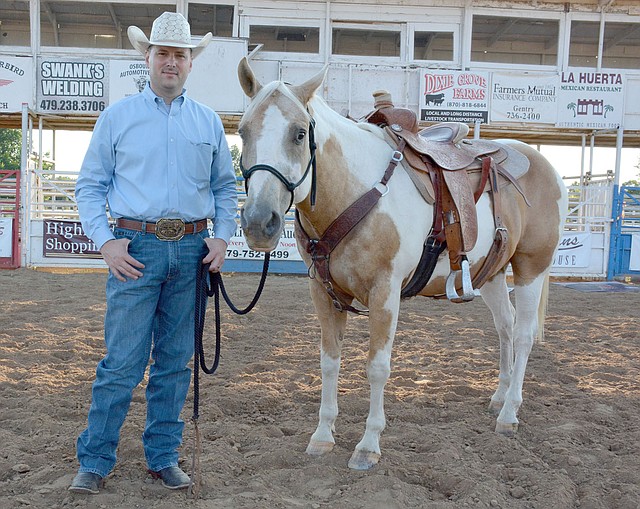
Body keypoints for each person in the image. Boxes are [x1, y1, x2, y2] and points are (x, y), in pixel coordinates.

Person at [69, 12, 238, 494]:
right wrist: (105, 242)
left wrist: (222, 236)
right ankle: (96, 459)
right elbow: (89, 185)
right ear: (147, 58)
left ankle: (162, 455)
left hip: (191, 250)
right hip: (135, 249)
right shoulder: (117, 117)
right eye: (162, 52)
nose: (170, 61)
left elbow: (226, 189)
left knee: (174, 361)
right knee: (121, 362)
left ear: (191, 62)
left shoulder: (208, 122)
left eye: (179, 54)